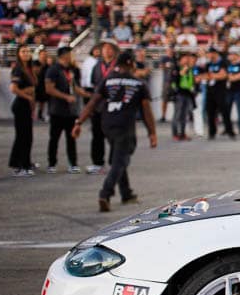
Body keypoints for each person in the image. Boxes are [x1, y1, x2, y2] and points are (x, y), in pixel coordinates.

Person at [73, 51, 157, 213]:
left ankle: (126, 193)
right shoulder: (139, 84)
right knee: (120, 161)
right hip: (125, 125)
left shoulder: (108, 80)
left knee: (118, 157)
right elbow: (147, 111)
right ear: (131, 63)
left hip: (107, 124)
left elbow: (92, 103)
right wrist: (152, 133)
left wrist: (79, 122)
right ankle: (105, 193)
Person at [43, 46, 84, 173]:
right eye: (71, 54)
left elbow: (75, 86)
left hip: (71, 111)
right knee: (54, 138)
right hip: (57, 110)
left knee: (71, 138)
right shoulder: (53, 70)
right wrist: (66, 97)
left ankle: (73, 163)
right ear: (64, 55)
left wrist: (90, 95)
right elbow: (49, 89)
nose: (73, 56)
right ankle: (52, 163)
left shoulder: (71, 70)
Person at [85, 42, 118, 173]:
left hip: (114, 107)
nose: (107, 51)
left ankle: (113, 163)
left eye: (110, 49)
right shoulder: (97, 66)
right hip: (99, 106)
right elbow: (94, 84)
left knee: (114, 136)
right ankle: (97, 163)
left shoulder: (118, 66)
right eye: (105, 49)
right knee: (97, 135)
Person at [8, 44, 37, 176]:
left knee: (27, 136)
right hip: (20, 105)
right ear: (18, 54)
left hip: (26, 105)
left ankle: (22, 161)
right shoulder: (18, 69)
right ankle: (22, 166)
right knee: (23, 136)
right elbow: (13, 88)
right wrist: (27, 96)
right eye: (23, 51)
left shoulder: (29, 69)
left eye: (28, 51)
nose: (26, 53)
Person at [201, 48, 235, 140]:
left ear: (214, 53)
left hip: (220, 91)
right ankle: (212, 132)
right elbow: (204, 76)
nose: (208, 55)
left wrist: (212, 75)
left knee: (225, 112)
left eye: (209, 53)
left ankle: (230, 131)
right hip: (210, 91)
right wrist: (215, 75)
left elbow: (224, 75)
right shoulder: (208, 64)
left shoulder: (223, 62)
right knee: (210, 113)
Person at [170, 52, 197, 141]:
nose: (187, 60)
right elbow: (175, 79)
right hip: (179, 94)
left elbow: (191, 80)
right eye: (185, 58)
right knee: (177, 115)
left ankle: (182, 133)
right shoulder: (177, 68)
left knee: (184, 115)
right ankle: (175, 133)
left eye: (187, 58)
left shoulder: (189, 69)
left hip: (187, 93)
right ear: (180, 60)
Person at [226, 49, 240, 135]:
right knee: (227, 110)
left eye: (233, 54)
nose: (231, 56)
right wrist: (233, 77)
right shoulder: (227, 65)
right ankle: (227, 128)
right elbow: (225, 76)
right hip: (228, 91)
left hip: (238, 90)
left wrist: (232, 77)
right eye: (230, 54)